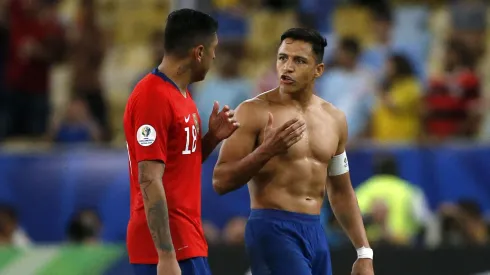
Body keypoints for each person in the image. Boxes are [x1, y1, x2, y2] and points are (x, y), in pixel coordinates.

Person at [213, 28, 374, 275]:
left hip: (315, 232)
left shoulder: (335, 119)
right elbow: (220, 181)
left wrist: (364, 252)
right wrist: (266, 151)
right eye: (282, 58)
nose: (287, 67)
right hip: (272, 228)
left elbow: (341, 191)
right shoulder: (252, 112)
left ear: (318, 70)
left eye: (299, 60)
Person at [123, 9, 239, 275]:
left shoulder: (183, 95)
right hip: (164, 251)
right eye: (213, 49)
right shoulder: (152, 97)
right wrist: (165, 255)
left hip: (188, 240)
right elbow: (149, 178)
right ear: (198, 52)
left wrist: (211, 139)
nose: (214, 56)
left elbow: (180, 164)